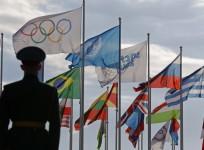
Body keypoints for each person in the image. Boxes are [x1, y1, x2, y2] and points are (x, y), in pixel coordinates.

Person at [0, 46, 60, 150]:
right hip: (40, 143)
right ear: (39, 67)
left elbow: (2, 123)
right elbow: (55, 125)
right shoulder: (50, 92)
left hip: (14, 142)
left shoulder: (10, 90)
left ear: (22, 67)